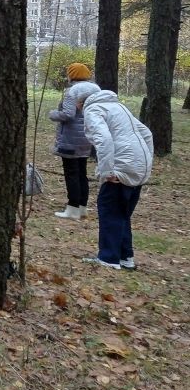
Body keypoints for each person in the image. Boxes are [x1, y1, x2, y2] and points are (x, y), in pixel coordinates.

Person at [80, 88, 153, 271]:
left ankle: (108, 258)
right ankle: (125, 257)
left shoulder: (93, 109)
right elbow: (147, 134)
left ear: (81, 102)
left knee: (109, 210)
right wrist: (145, 162)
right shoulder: (118, 106)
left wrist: (106, 172)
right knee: (122, 213)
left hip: (121, 168)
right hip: (138, 166)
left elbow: (104, 140)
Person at [48, 63, 97, 220]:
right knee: (82, 172)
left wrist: (53, 114)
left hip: (70, 139)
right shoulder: (95, 90)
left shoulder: (72, 91)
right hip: (87, 137)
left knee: (71, 173)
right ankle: (82, 208)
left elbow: (68, 114)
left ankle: (72, 208)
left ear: (72, 75)